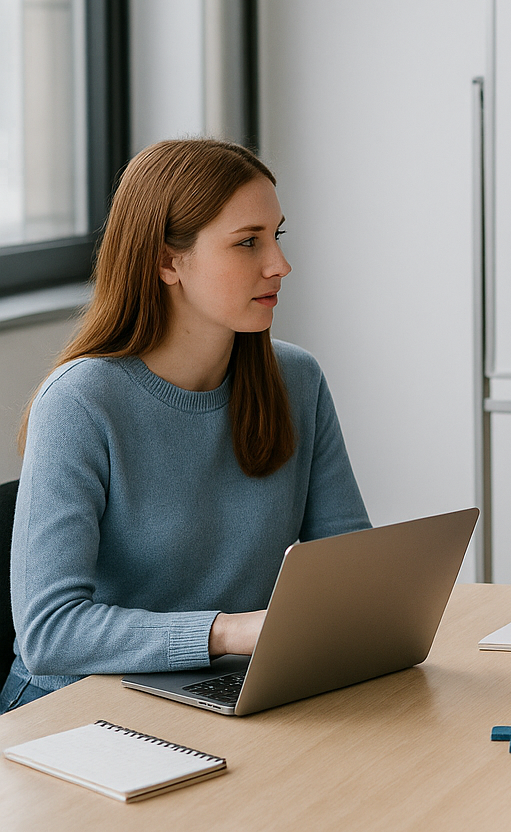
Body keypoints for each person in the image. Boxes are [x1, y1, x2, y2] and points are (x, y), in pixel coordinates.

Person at [4, 139, 371, 711]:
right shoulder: (80, 402)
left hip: (225, 691)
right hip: (76, 707)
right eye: (247, 242)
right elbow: (49, 632)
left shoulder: (296, 379)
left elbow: (349, 570)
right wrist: (226, 633)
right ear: (166, 261)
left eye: (277, 236)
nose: (279, 264)